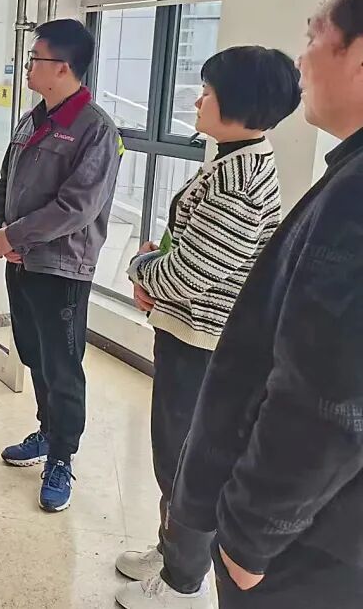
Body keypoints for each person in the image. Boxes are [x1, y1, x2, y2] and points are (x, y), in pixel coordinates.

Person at [160, 0, 363, 608]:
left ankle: (179, 568)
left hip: (308, 544)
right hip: (315, 527)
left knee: (175, 447)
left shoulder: (353, 199)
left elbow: (327, 398)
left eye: (314, 36)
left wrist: (250, 538)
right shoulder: (345, 175)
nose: (303, 59)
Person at [112, 47, 301, 609]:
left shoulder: (240, 180)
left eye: (208, 93)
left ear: (238, 104)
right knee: (175, 454)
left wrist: (141, 268)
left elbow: (192, 275)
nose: (197, 101)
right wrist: (157, 275)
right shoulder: (231, 159)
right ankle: (172, 551)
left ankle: (182, 581)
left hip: (204, 344)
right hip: (189, 333)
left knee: (187, 461)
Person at [0, 18, 122, 512]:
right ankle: (46, 432)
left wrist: (15, 235)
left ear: (62, 67)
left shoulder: (95, 130)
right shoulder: (32, 119)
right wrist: (1, 230)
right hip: (21, 260)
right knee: (35, 355)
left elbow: (77, 207)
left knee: (63, 366)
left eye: (35, 59)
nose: (27, 66)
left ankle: (62, 456)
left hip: (62, 268)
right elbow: (4, 182)